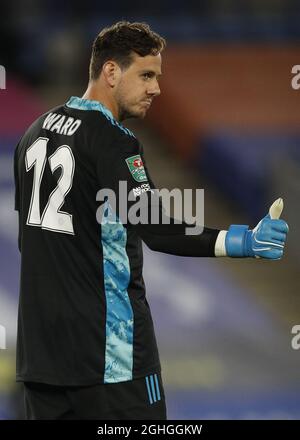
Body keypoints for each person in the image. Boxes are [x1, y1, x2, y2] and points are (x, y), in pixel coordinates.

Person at [14, 21, 289, 420]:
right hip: (110, 361)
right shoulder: (113, 141)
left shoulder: (33, 132)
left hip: (42, 362)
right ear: (111, 71)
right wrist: (243, 242)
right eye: (146, 75)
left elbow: (28, 239)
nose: (156, 88)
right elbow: (158, 229)